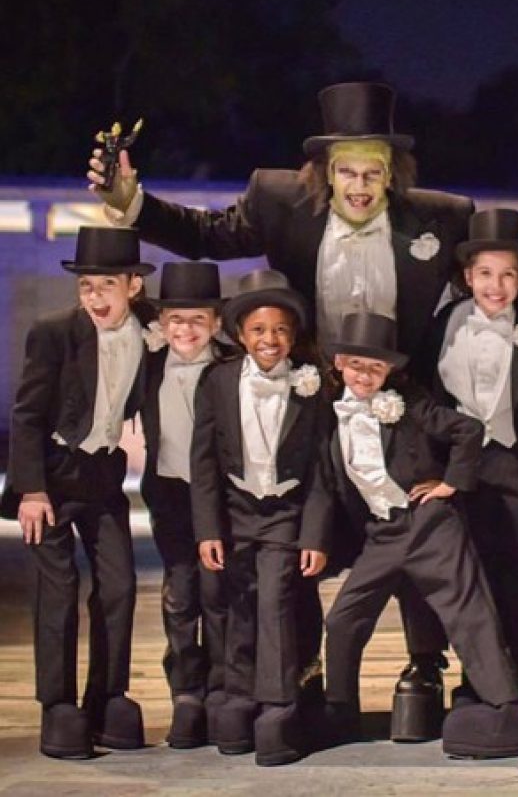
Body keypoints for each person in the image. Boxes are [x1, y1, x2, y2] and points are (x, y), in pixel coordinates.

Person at [87, 81, 470, 736]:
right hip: (309, 402)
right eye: (346, 171)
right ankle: (301, 672)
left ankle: (424, 666)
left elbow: (493, 282)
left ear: (391, 175)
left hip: (400, 402)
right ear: (323, 173)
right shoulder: (279, 200)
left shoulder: (441, 217)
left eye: (371, 172)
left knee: (410, 531)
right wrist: (133, 203)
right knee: (301, 546)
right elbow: (205, 232)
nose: (358, 185)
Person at [316, 311, 518, 759]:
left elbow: (467, 430)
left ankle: (504, 704)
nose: (364, 376)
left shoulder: (409, 403)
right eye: (356, 365)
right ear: (338, 364)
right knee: (342, 619)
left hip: (429, 527)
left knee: (468, 615)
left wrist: (450, 484)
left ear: (389, 371)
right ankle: (340, 710)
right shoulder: (331, 411)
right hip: (382, 533)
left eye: (375, 368)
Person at [2, 226, 154, 759]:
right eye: (86, 287)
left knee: (118, 587)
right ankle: (58, 705)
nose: (93, 298)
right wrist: (32, 490)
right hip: (54, 474)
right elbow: (26, 415)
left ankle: (108, 696)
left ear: (132, 286)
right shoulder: (55, 332)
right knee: (58, 591)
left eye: (104, 286)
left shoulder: (150, 329)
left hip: (104, 475)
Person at [190, 269, 332, 766]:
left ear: (293, 336)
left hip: (286, 513)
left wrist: (313, 535)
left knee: (274, 600)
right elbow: (203, 461)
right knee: (237, 603)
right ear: (240, 335)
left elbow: (322, 471)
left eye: (280, 330)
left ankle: (278, 706)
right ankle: (238, 697)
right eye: (258, 330)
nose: (269, 340)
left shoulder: (312, 387)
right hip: (235, 511)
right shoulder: (218, 380)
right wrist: (208, 529)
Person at [431, 208, 518, 694]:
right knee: (468, 575)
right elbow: (426, 394)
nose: (495, 286)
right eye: (484, 274)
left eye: (506, 275)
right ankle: (476, 676)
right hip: (461, 466)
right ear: (467, 276)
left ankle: (513, 677)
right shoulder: (444, 322)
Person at [139, 261, 229, 748]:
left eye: (198, 319)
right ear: (161, 323)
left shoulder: (233, 366)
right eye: (176, 319)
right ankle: (186, 693)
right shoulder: (150, 365)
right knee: (179, 595)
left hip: (221, 496)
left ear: (216, 322)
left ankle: (221, 690)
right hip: (171, 491)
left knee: (219, 593)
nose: (186, 329)